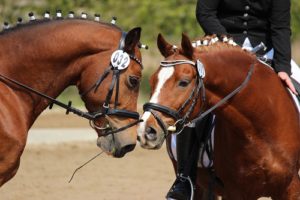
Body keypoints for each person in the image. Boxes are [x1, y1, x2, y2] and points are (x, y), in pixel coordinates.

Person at [166, 0, 297, 199]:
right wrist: (226, 40)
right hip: (222, 50)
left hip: (266, 51)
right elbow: (205, 13)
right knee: (196, 96)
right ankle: (185, 179)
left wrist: (283, 68)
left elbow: (280, 26)